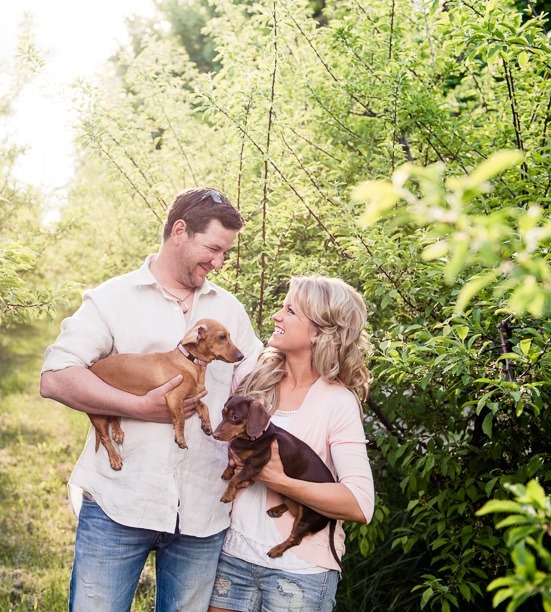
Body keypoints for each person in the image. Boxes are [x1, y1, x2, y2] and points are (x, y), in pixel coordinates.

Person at [40, 187, 264, 611]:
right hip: (119, 503)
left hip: (202, 512)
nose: (218, 263)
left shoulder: (229, 310)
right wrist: (136, 407)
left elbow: (256, 384)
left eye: (225, 254)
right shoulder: (112, 299)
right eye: (213, 249)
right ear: (179, 231)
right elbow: (55, 377)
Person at [208, 276, 375, 612]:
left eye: (290, 310)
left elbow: (359, 504)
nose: (276, 316)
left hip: (299, 572)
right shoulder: (255, 379)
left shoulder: (338, 402)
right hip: (233, 557)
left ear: (318, 332)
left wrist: (279, 481)